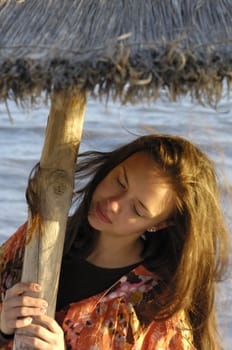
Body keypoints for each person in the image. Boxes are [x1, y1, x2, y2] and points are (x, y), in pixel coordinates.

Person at [0, 134, 229, 350]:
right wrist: (3, 327)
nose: (113, 204)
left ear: (159, 224)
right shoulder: (35, 237)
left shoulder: (157, 311)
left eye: (137, 209)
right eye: (120, 182)